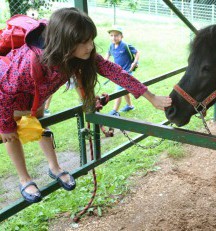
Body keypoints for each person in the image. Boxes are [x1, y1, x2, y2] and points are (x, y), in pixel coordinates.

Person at [0, 7, 171, 203]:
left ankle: (54, 168)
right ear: (64, 43)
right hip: (8, 99)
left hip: (36, 96)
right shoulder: (28, 63)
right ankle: (24, 178)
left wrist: (151, 97)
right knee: (10, 133)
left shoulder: (73, 54)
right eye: (84, 42)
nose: (90, 46)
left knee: (40, 122)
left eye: (91, 39)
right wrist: (5, 125)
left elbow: (114, 71)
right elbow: (5, 92)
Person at [105, 26, 140, 116]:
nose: (114, 37)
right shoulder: (111, 46)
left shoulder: (124, 45)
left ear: (121, 36)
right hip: (118, 72)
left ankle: (114, 111)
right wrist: (105, 62)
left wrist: (135, 62)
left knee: (118, 91)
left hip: (127, 71)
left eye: (116, 35)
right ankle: (130, 105)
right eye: (111, 35)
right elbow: (108, 53)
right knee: (123, 89)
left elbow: (137, 52)